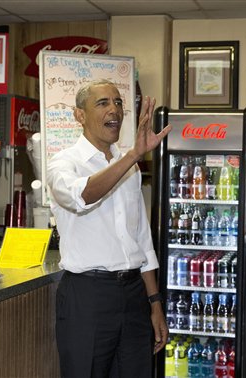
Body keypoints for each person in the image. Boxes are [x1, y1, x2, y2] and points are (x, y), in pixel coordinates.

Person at [46, 79, 172, 377]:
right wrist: (132, 156)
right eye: (102, 103)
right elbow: (83, 197)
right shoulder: (63, 163)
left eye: (118, 103)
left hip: (133, 293)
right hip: (87, 294)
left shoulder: (130, 167)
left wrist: (154, 303)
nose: (113, 109)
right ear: (80, 115)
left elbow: (141, 240)